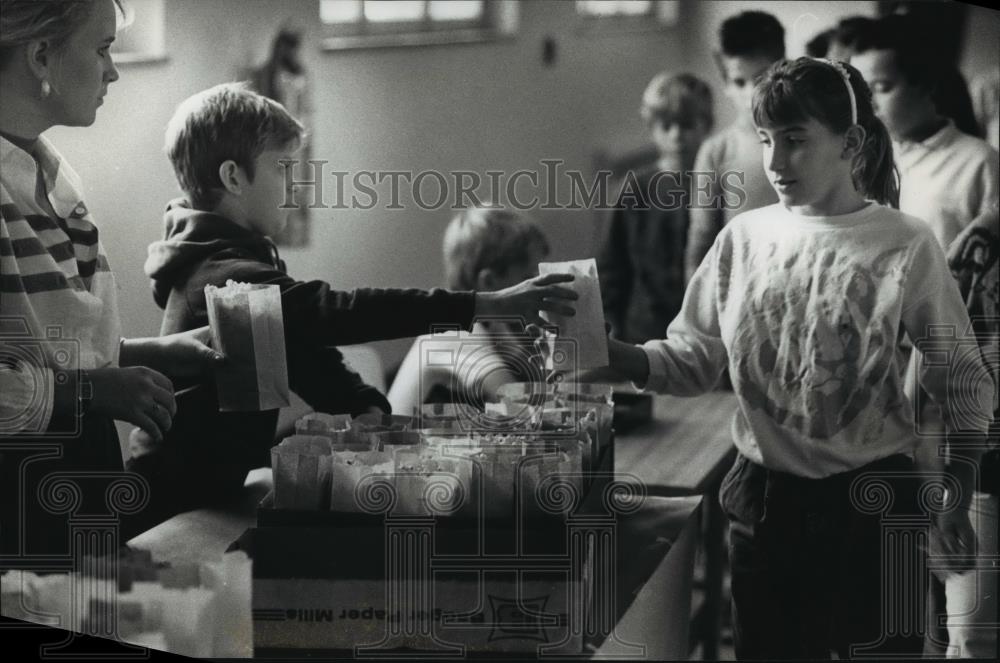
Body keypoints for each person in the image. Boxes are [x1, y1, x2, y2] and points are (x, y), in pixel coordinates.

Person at [596, 57, 995, 659]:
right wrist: (609, 354)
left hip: (874, 507)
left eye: (796, 140)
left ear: (850, 142)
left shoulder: (904, 244)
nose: (775, 162)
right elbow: (692, 358)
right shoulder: (744, 239)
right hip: (765, 506)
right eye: (765, 140)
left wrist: (955, 490)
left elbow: (963, 383)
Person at [128, 83, 578, 525]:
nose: (297, 186)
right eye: (284, 168)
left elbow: (302, 350)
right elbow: (337, 311)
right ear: (233, 177)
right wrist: (484, 305)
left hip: (214, 495)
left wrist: (362, 403)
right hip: (166, 506)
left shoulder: (240, 261)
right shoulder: (221, 273)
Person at [0, 0, 220, 561]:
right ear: (41, 56)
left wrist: (157, 352)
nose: (113, 69)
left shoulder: (48, 173)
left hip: (72, 477)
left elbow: (41, 345)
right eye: (101, 48)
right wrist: (93, 391)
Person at [388, 206, 552, 414]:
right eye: (529, 278)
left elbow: (538, 386)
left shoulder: (495, 328)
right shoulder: (454, 330)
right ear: (489, 281)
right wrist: (591, 374)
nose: (540, 288)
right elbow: (521, 409)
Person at [597, 72, 713, 343]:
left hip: (703, 331)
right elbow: (611, 265)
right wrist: (609, 322)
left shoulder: (717, 185)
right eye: (666, 126)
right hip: (644, 331)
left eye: (686, 125)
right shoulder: (636, 187)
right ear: (652, 128)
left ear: (706, 125)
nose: (677, 136)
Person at [684, 11, 782, 283]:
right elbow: (701, 241)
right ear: (725, 85)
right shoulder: (716, 152)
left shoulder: (807, 141)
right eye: (739, 82)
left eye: (762, 78)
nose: (752, 94)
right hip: (741, 287)